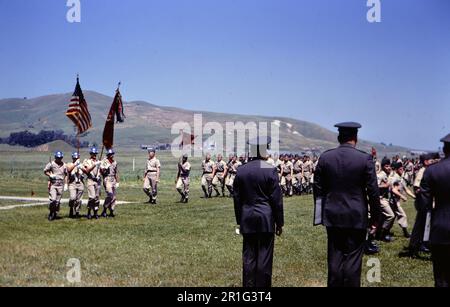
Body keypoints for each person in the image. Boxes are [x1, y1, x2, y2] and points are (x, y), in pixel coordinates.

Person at [313, 122, 381, 287]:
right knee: (353, 260)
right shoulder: (365, 159)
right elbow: (373, 192)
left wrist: (319, 215)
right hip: (356, 215)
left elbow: (318, 190)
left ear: (339, 137)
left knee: (335, 258)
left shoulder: (325, 157)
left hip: (332, 214)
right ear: (355, 138)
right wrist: (376, 219)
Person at [233, 136, 283, 287]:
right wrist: (279, 222)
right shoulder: (270, 170)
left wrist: (239, 220)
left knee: (249, 256)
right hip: (266, 218)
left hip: (247, 217)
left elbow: (237, 198)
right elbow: (276, 199)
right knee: (264, 256)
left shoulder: (241, 170)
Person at [419, 134, 450, 287]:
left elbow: (424, 203)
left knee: (441, 277)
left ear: (444, 148)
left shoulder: (432, 171)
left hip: (440, 226)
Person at [389, 162, 415, 238]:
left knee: (391, 217)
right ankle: (405, 233)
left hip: (395, 201)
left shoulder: (400, 178)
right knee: (402, 215)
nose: (402, 170)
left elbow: (406, 189)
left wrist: (414, 197)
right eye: (400, 169)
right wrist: (402, 196)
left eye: (402, 168)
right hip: (393, 201)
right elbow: (394, 190)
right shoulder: (395, 178)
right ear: (396, 170)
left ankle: (384, 232)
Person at [44, 151, 68, 221]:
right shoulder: (51, 164)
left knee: (57, 202)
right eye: (58, 158)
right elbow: (45, 171)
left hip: (60, 184)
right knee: (53, 200)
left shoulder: (64, 165)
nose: (59, 159)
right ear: (55, 157)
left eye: (60, 158)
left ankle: (54, 212)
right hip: (53, 184)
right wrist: (50, 175)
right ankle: (51, 212)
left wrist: (66, 184)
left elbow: (66, 175)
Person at [376, 158, 395, 242]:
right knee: (391, 216)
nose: (389, 167)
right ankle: (382, 234)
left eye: (389, 166)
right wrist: (385, 186)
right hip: (381, 199)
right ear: (383, 167)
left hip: (385, 199)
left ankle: (379, 234)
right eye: (387, 166)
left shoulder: (386, 175)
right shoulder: (381, 175)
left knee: (382, 218)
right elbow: (374, 186)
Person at [82, 147, 102, 219]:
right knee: (92, 197)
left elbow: (101, 171)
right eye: (93, 154)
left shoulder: (98, 161)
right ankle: (89, 211)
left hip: (97, 181)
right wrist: (95, 164)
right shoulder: (86, 161)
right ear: (90, 154)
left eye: (95, 153)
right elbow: (87, 171)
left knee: (97, 198)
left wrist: (101, 167)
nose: (94, 155)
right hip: (90, 180)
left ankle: (95, 213)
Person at [100, 148, 119, 217]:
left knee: (114, 197)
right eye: (110, 154)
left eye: (112, 154)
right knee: (110, 194)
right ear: (108, 155)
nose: (111, 156)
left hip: (113, 179)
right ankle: (105, 209)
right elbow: (101, 172)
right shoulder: (104, 162)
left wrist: (117, 182)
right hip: (107, 178)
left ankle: (111, 211)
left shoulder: (114, 162)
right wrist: (104, 169)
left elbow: (116, 172)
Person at [66, 152, 84, 219]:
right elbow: (68, 170)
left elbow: (86, 171)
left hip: (80, 183)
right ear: (72, 158)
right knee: (72, 198)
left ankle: (77, 212)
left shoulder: (81, 164)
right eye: (74, 158)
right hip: (72, 183)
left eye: (77, 158)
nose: (76, 159)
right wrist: (75, 164)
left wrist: (81, 167)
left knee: (78, 200)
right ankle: (71, 208)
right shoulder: (69, 164)